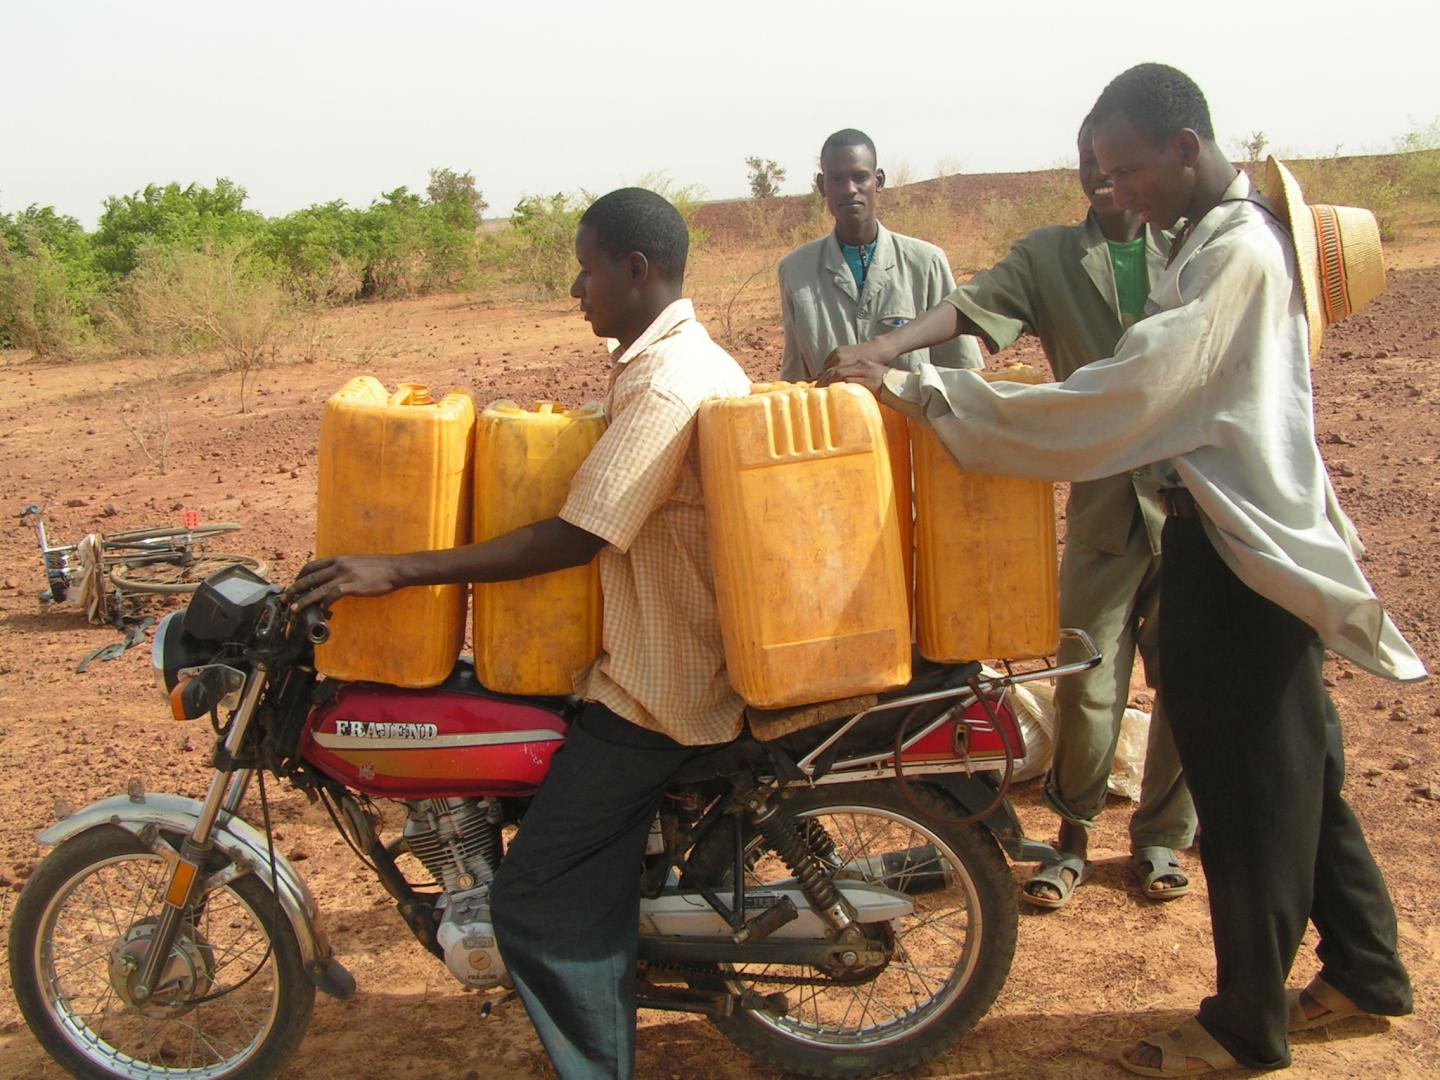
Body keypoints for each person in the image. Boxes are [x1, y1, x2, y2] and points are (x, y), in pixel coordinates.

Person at [821, 63, 1420, 1076]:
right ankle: (1366, 973)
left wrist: (935, 397)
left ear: (1187, 149)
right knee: (1301, 773)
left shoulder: (1232, 257)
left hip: (1233, 560)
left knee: (1246, 801)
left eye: (1127, 169)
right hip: (1251, 547)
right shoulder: (1206, 243)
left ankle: (1242, 1028)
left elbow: (1127, 396)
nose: (1116, 192)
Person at [289, 187, 751, 1080]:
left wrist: (399, 568)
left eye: (585, 269)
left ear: (635, 269)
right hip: (649, 644)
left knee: (537, 899)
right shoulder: (660, 360)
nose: (576, 289)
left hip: (663, 683)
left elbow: (578, 533)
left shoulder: (669, 380)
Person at [942, 116, 1195, 909]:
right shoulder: (1050, 256)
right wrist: (887, 353)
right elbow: (969, 308)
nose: (1101, 175)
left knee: (1187, 677)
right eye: (1088, 162)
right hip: (1104, 503)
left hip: (1193, 498)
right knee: (1088, 677)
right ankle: (1074, 838)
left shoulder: (1190, 247)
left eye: (1112, 160)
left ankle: (1160, 839)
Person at [778, 127, 982, 382]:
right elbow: (795, 380)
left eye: (860, 177)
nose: (849, 189)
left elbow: (963, 373)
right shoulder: (796, 271)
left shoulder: (926, 263)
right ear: (822, 186)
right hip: (833, 421)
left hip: (912, 420)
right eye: (837, 179)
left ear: (879, 181)